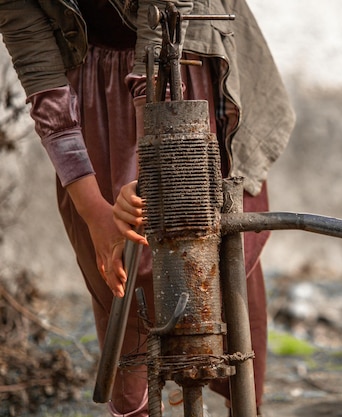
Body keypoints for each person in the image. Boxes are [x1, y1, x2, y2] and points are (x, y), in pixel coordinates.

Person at [0, 1, 295, 416]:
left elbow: (156, 57)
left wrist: (153, 174)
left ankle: (243, 405)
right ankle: (136, 406)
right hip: (92, 94)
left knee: (208, 245)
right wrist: (95, 213)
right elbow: (42, 82)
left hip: (185, 62)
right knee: (118, 269)